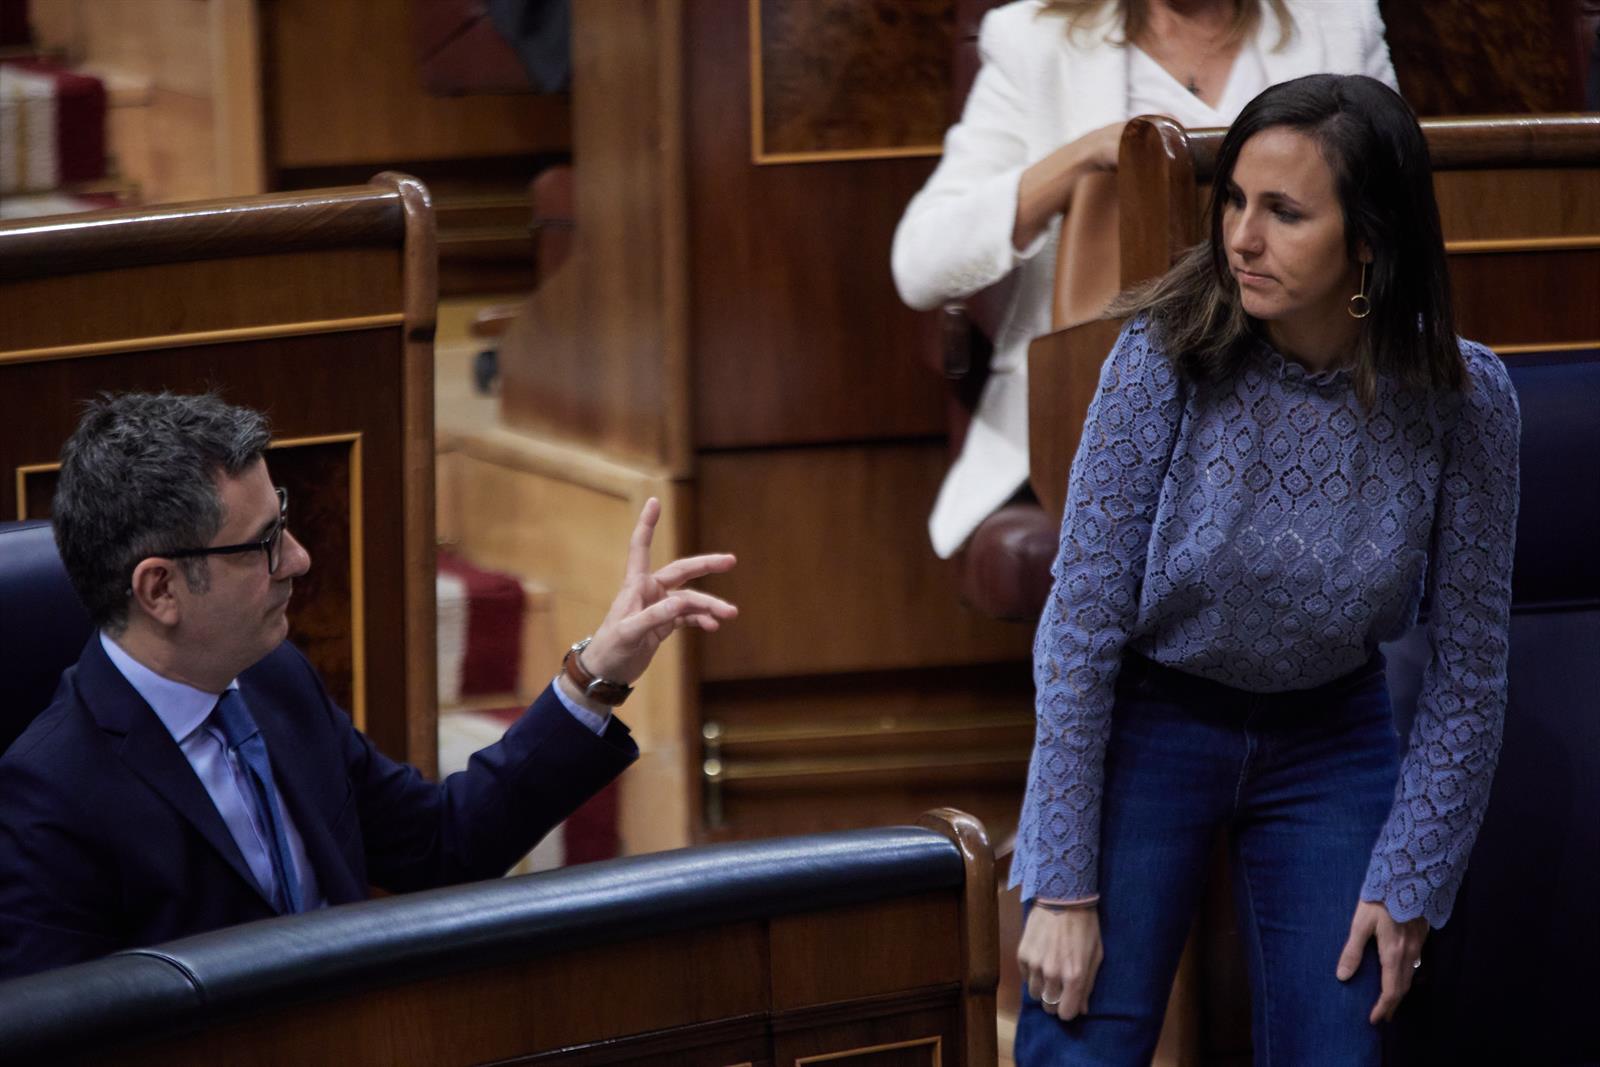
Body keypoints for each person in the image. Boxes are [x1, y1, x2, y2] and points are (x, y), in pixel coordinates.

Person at [1010, 74, 1519, 1065]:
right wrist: (1062, 881)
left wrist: (1412, 877)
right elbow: (1079, 624)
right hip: (1152, 717)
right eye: (1235, 201)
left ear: (1366, 239)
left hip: (1331, 733)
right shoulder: (1160, 355)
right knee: (1079, 1037)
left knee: (1343, 1042)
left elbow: (1470, 672)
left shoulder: (1467, 400)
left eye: (1284, 212)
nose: (1241, 237)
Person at [0, 392, 737, 980]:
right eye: (263, 543)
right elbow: (71, 1040)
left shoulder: (273, 680)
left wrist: (596, 675)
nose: (299, 558)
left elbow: (444, 844)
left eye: (283, 522)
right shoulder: (51, 795)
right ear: (160, 589)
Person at [891, 0, 1397, 559]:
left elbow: (1405, 210)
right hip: (1089, 415)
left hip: (1323, 395)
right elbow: (921, 263)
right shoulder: (1033, 38)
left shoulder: (1339, 21)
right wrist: (1081, 158)